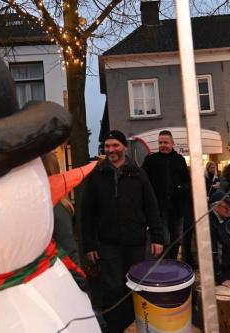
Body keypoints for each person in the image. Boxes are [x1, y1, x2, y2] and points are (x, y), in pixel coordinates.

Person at [81, 130, 165, 333]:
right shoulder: (97, 174)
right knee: (112, 287)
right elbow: (87, 213)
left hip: (135, 241)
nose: (111, 150)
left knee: (134, 286)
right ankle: (114, 328)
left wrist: (157, 237)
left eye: (115, 145)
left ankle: (133, 325)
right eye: (107, 146)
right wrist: (89, 244)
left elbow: (151, 206)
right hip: (108, 242)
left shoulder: (138, 173)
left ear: (124, 147)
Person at [142, 130, 190, 260]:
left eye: (165, 142)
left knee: (176, 238)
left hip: (177, 208)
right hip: (158, 208)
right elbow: (143, 181)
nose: (162, 145)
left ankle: (172, 262)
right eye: (160, 142)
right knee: (162, 239)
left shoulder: (179, 160)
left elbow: (187, 181)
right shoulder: (151, 160)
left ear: (172, 143)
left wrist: (181, 188)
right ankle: (161, 264)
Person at [208, 190, 230, 288]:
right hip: (222, 274)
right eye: (226, 206)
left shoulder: (228, 220)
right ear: (215, 206)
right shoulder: (210, 224)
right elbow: (212, 253)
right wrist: (220, 277)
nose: (229, 208)